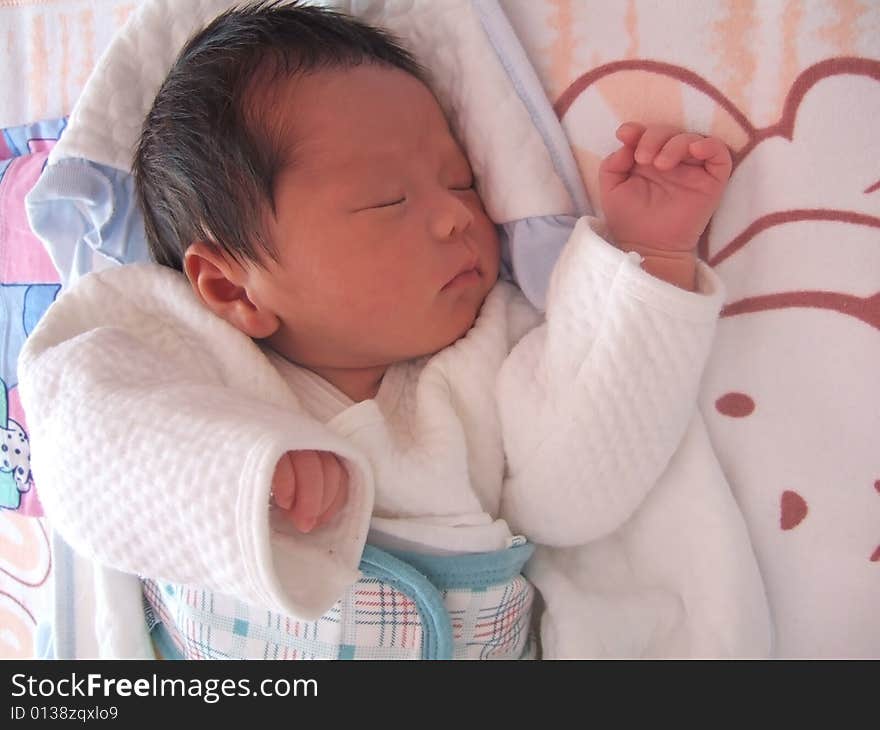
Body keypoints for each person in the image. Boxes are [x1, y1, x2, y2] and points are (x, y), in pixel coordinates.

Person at [18, 2, 769, 659]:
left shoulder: (489, 346)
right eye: (386, 200)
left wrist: (652, 260)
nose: (455, 216)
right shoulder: (173, 338)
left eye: (461, 181)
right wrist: (232, 478)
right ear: (228, 283)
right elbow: (78, 434)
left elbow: (579, 489)